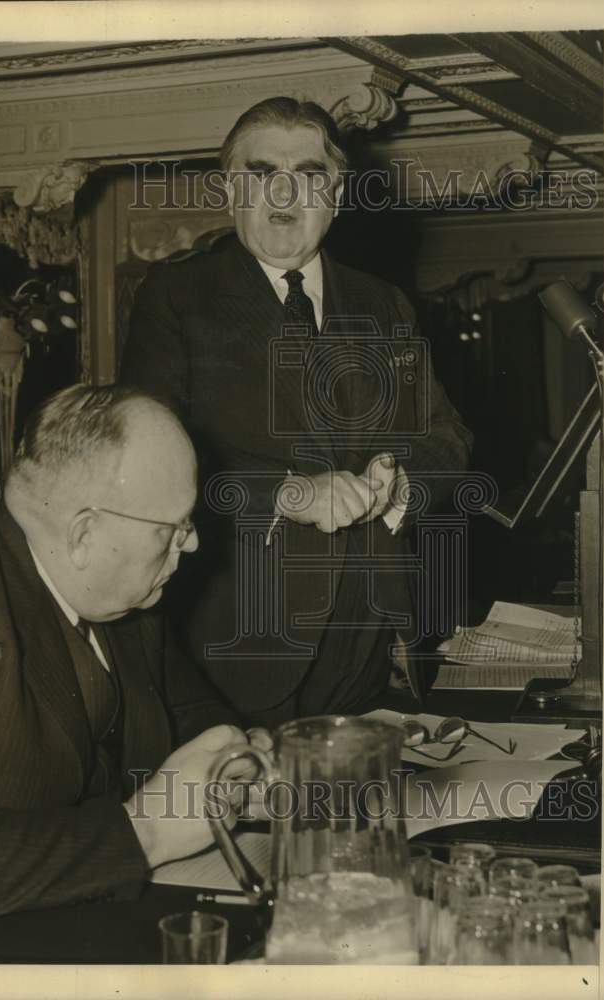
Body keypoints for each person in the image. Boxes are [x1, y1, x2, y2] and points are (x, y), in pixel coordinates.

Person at [122, 96, 473, 728]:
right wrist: (288, 495)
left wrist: (395, 488)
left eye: (309, 175)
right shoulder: (177, 298)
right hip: (237, 644)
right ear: (232, 189)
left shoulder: (382, 303)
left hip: (371, 639)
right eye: (261, 173)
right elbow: (145, 460)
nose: (285, 192)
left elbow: (447, 437)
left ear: (334, 195)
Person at [0, 384, 259, 940]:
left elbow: (192, 711)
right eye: (172, 529)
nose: (194, 544)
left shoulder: (123, 585)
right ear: (85, 533)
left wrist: (237, 762)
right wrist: (148, 829)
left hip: (85, 924)